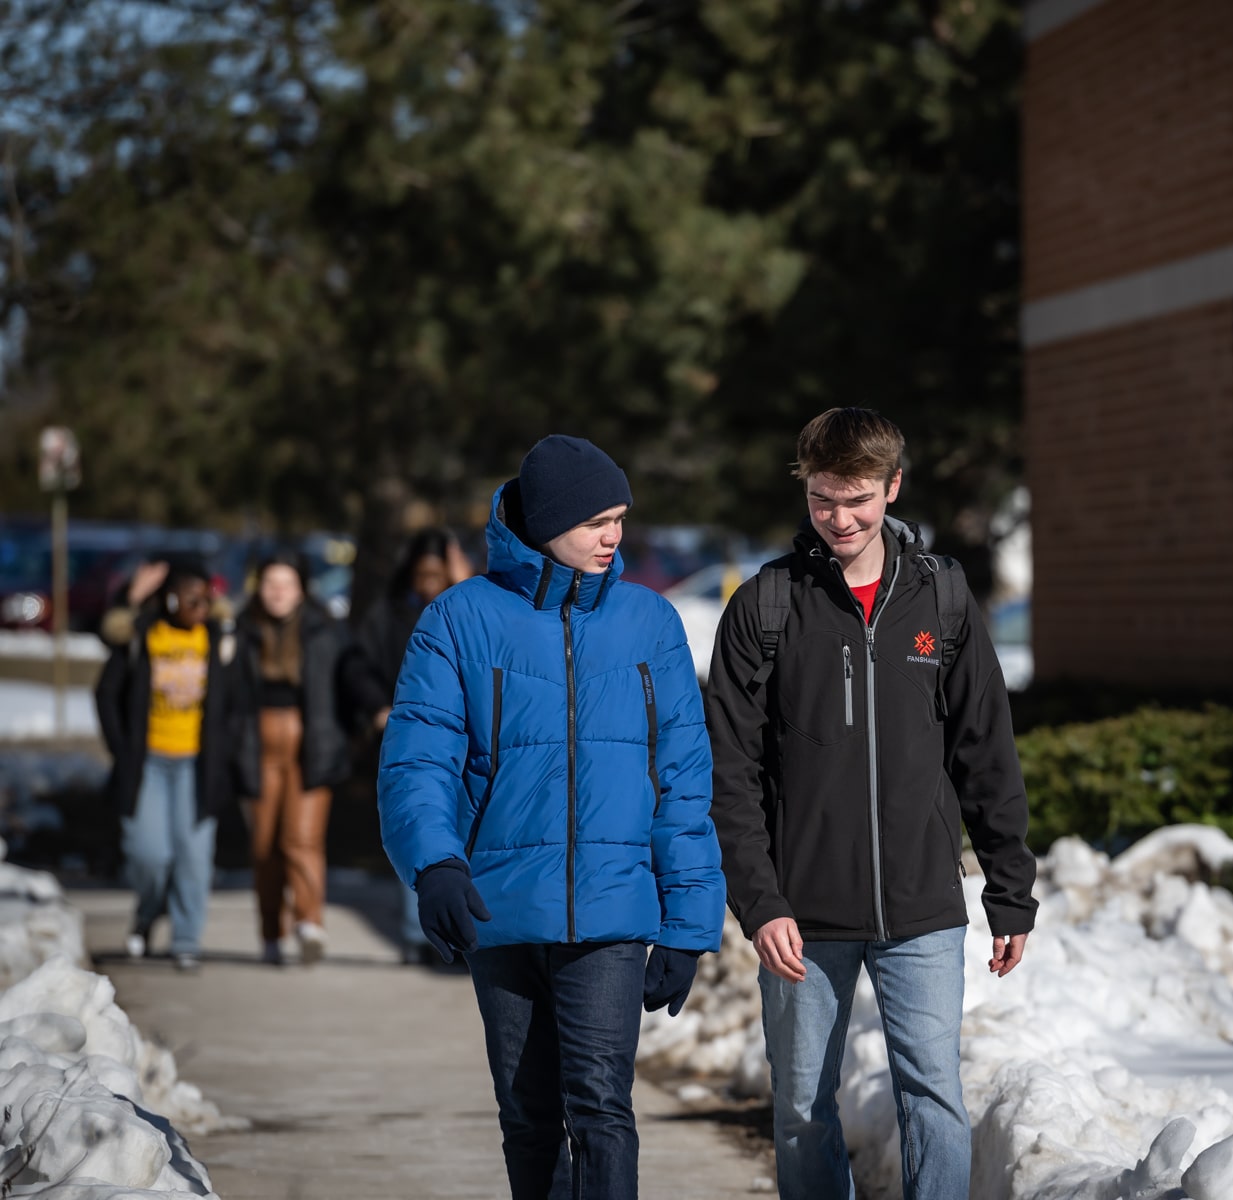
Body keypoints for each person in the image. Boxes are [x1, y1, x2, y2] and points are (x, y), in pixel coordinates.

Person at [378, 435, 725, 1200]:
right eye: (597, 520)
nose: (615, 538)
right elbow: (418, 761)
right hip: (497, 905)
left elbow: (682, 780)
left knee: (601, 1108)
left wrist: (688, 921)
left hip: (612, 907)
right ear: (543, 523)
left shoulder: (650, 623)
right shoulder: (459, 619)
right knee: (528, 1115)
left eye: (620, 519)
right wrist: (435, 863)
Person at [706, 407, 1039, 1200]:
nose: (840, 518)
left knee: (934, 1100)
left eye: (856, 498)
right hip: (800, 915)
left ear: (893, 487)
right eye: (823, 499)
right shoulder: (766, 607)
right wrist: (760, 902)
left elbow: (986, 753)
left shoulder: (944, 601)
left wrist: (1009, 891)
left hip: (921, 904)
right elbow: (730, 772)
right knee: (798, 1109)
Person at [94, 556, 240, 972]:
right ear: (169, 600)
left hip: (198, 765)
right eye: (189, 597)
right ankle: (147, 911)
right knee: (148, 853)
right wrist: (122, 750)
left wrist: (225, 748)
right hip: (149, 765)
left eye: (205, 598)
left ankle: (186, 938)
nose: (199, 606)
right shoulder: (142, 637)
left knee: (194, 855)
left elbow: (237, 702)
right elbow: (106, 694)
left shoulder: (219, 640)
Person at [339, 528, 473, 962]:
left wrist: (464, 579)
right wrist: (379, 708)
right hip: (413, 734)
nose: (429, 583)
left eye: (439, 574)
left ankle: (463, 931)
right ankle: (419, 936)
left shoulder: (467, 607)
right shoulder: (391, 613)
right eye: (423, 574)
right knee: (418, 825)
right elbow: (357, 664)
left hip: (466, 740)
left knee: (462, 835)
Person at [234, 549, 352, 966]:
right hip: (257, 742)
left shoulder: (325, 630)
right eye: (270, 584)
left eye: (286, 585)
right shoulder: (244, 628)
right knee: (265, 847)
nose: (277, 593)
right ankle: (270, 933)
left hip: (310, 742)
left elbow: (348, 681)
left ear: (302, 589)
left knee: (302, 840)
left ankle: (309, 923)